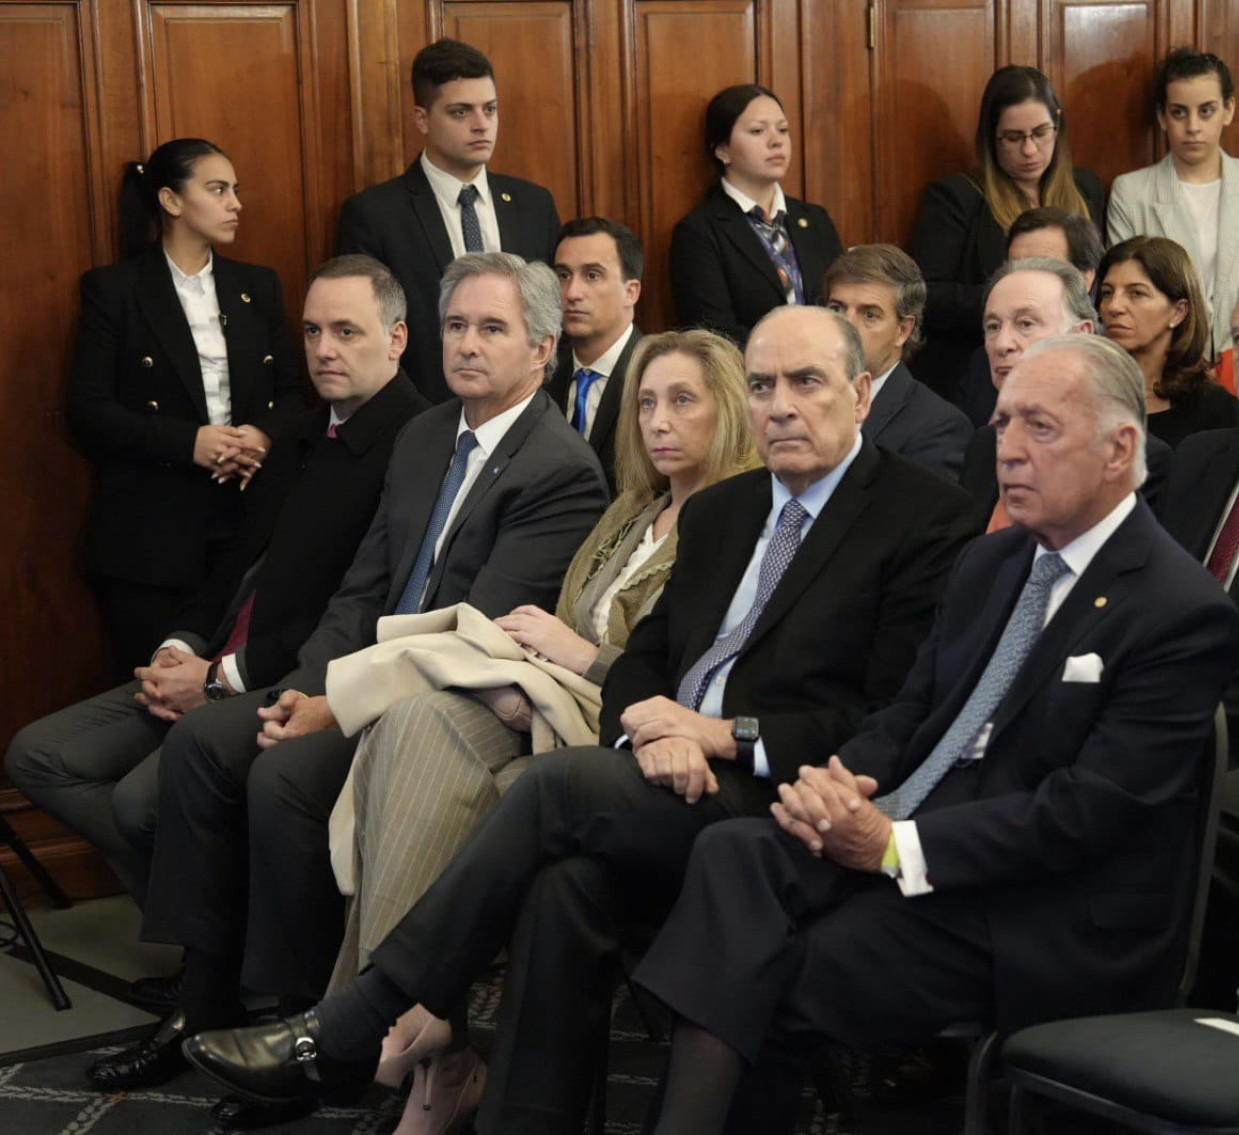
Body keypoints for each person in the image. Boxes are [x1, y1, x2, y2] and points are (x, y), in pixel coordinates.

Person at [180, 304, 981, 1134]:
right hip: (664, 775)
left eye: (806, 382)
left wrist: (721, 734)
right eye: (764, 383)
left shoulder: (924, 517)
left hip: (783, 794)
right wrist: (649, 728)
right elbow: (643, 660)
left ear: (859, 392)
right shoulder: (723, 510)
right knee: (565, 888)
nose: (781, 403)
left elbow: (890, 717)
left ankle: (358, 1020)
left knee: (557, 786)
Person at [631, 334, 1239, 1134]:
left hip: (1032, 906)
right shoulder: (991, 565)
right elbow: (910, 713)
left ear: (1119, 447)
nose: (1010, 451)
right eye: (1002, 425)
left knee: (762, 969)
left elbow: (1085, 812)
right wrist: (838, 782)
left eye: (1041, 429)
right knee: (732, 855)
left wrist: (892, 846)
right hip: (907, 840)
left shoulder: (1179, 609)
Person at [85, 253, 608, 1114]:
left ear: (541, 349)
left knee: (282, 775)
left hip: (449, 701)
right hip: (359, 668)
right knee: (209, 741)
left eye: (491, 328)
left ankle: (297, 1031)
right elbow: (363, 590)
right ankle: (203, 1001)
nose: (467, 344)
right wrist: (299, 685)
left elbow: (468, 636)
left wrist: (335, 704)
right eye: (456, 325)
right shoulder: (427, 432)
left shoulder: (559, 468)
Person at [329, 328, 759, 1132]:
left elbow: (687, 675)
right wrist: (531, 668)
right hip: (551, 696)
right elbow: (559, 618)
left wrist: (583, 660)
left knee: (504, 793)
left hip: (623, 728)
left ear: (730, 409)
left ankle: (404, 1024)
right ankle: (416, 1032)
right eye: (645, 402)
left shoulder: (742, 522)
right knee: (409, 721)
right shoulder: (633, 509)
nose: (658, 420)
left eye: (681, 400)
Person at [5, 255, 428, 912]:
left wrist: (216, 680)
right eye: (312, 332)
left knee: (138, 802)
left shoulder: (416, 442)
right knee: (38, 756)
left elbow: (350, 615)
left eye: (346, 332)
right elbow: (235, 566)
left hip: (279, 679)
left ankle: (205, 943)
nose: (323, 349)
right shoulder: (299, 430)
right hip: (211, 659)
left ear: (396, 338)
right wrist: (182, 644)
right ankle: (206, 916)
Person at [70, 138, 302, 678]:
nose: (235, 203)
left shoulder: (256, 286)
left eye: (235, 190)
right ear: (172, 201)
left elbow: (295, 395)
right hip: (151, 534)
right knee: (152, 696)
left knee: (229, 693)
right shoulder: (116, 290)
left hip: (246, 521)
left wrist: (261, 437)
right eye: (218, 190)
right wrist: (190, 442)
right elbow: (89, 410)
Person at [1159, 266, 1239, 1008]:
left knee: (1168, 814)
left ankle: (1165, 1023)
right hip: (1166, 710)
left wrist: (1173, 721)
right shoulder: (1202, 457)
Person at [335, 39, 560, 401]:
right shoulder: (375, 215)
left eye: (490, 109)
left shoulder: (533, 205)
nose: (481, 124)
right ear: (422, 119)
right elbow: (368, 337)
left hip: (525, 420)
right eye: (460, 112)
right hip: (419, 420)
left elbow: (550, 319)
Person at [908, 66, 1106, 398]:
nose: (1029, 150)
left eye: (1041, 133)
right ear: (992, 137)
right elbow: (926, 294)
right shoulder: (958, 197)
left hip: (1073, 365)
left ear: (1058, 126)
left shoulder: (1085, 188)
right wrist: (1014, 303)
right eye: (1014, 138)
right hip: (982, 372)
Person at [961, 258, 1170, 523]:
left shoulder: (1129, 456)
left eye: (1025, 324)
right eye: (993, 327)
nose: (1002, 344)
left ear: (1081, 335)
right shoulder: (984, 445)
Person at [1107, 49, 1239, 360]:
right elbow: (1126, 292)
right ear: (1162, 116)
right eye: (1179, 112)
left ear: (1228, 110)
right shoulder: (1131, 192)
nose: (1193, 127)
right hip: (1164, 361)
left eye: (1206, 111)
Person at [668, 84, 843, 348]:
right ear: (722, 150)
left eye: (782, 130)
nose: (776, 140)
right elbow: (714, 336)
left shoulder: (815, 220)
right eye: (757, 131)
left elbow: (842, 304)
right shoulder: (699, 232)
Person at [824, 245, 972, 480]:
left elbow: (916, 516)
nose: (846, 326)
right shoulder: (797, 400)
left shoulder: (938, 426)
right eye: (836, 308)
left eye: (869, 315)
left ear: (903, 330)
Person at [954, 206, 1105, 428]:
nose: (1003, 344)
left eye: (1045, 265)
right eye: (1015, 266)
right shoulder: (981, 367)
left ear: (1085, 278)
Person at [1099, 235, 1239, 448]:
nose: (1114, 306)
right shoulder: (1084, 392)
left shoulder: (1217, 409)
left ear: (1178, 311)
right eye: (1107, 293)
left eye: (1137, 293)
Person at [545, 218, 645, 494]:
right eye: (563, 275)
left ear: (631, 291)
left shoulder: (657, 373)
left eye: (592, 275)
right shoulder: (541, 375)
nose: (572, 293)